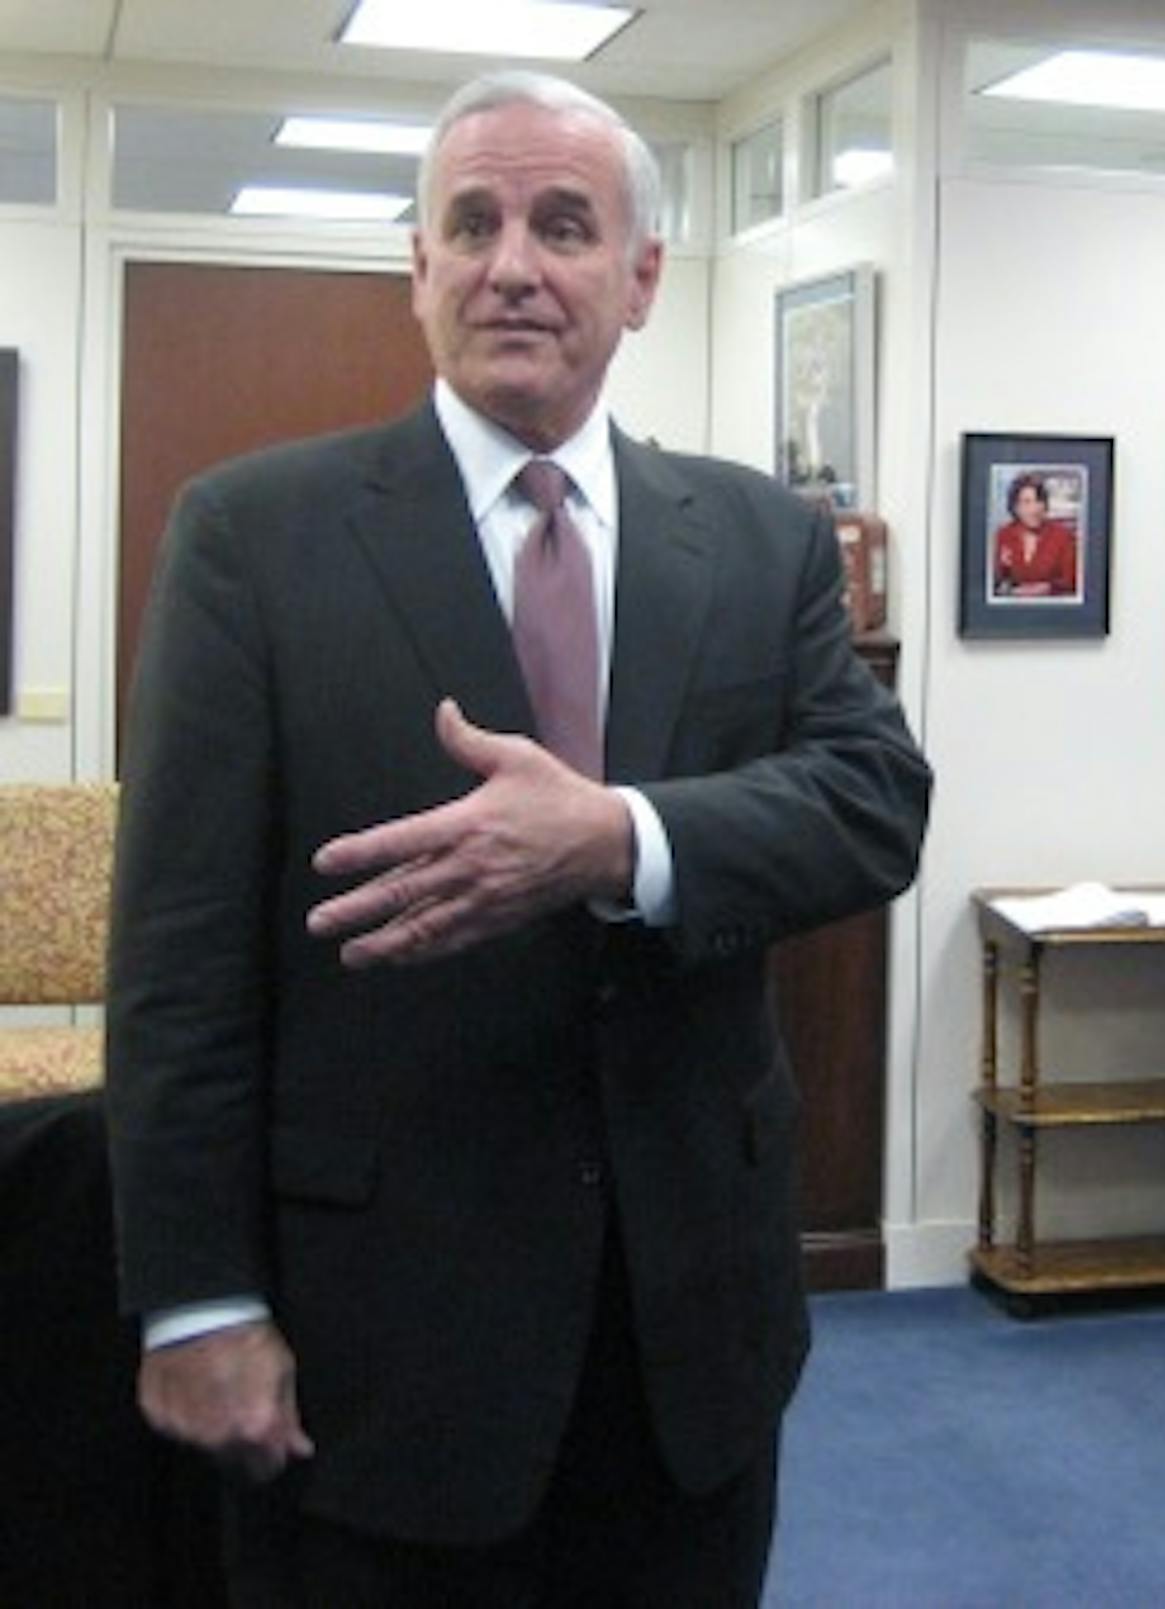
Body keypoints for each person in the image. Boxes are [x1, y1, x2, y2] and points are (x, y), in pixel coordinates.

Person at [105, 69, 932, 1605]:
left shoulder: (759, 541)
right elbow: (175, 964)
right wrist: (194, 1300)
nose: (513, 265)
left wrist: (619, 839)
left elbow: (874, 804)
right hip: (375, 1344)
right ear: (416, 268)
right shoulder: (253, 538)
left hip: (692, 1336)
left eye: (565, 224)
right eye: (470, 223)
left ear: (641, 276)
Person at [990, 472, 1077, 598]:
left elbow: (1071, 581)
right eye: (1026, 502)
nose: (1034, 509)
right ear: (1015, 507)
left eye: (1039, 501)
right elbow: (992, 582)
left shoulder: (1063, 536)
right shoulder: (1004, 535)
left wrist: (1047, 588)